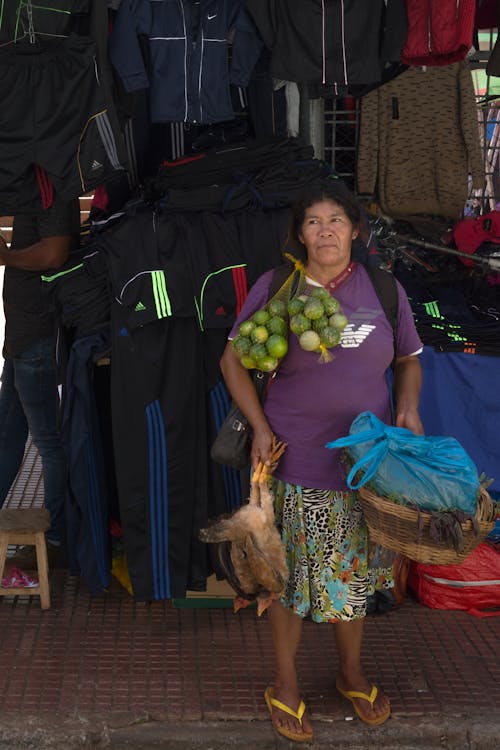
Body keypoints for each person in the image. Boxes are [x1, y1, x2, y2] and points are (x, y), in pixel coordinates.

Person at [219, 180, 424, 742]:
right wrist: (259, 427)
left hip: (366, 465)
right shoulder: (277, 288)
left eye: (337, 219)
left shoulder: (383, 288)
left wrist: (407, 410)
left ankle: (350, 672)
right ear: (300, 232)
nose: (326, 229)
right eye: (313, 220)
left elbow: (408, 358)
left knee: (353, 578)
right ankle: (285, 683)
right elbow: (232, 361)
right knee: (284, 578)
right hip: (292, 461)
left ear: (356, 230)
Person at [0, 195, 80, 568]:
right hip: (21, 340)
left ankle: (55, 538)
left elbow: (53, 254)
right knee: (7, 434)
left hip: (37, 338)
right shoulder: (34, 186)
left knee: (49, 443)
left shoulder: (52, 190)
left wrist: (6, 257)